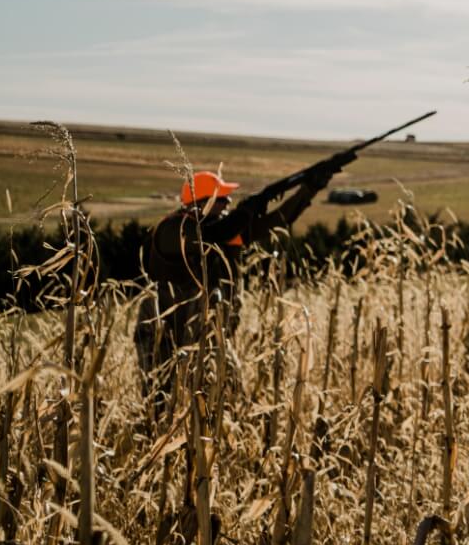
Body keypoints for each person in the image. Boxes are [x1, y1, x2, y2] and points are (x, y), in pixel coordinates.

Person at [132, 154, 351, 410]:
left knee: (229, 401)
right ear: (202, 203)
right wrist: (247, 210)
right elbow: (215, 233)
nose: (228, 203)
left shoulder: (222, 231)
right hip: (164, 336)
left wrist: (309, 189)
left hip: (211, 337)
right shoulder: (174, 228)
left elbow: (277, 220)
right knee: (160, 403)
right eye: (222, 199)